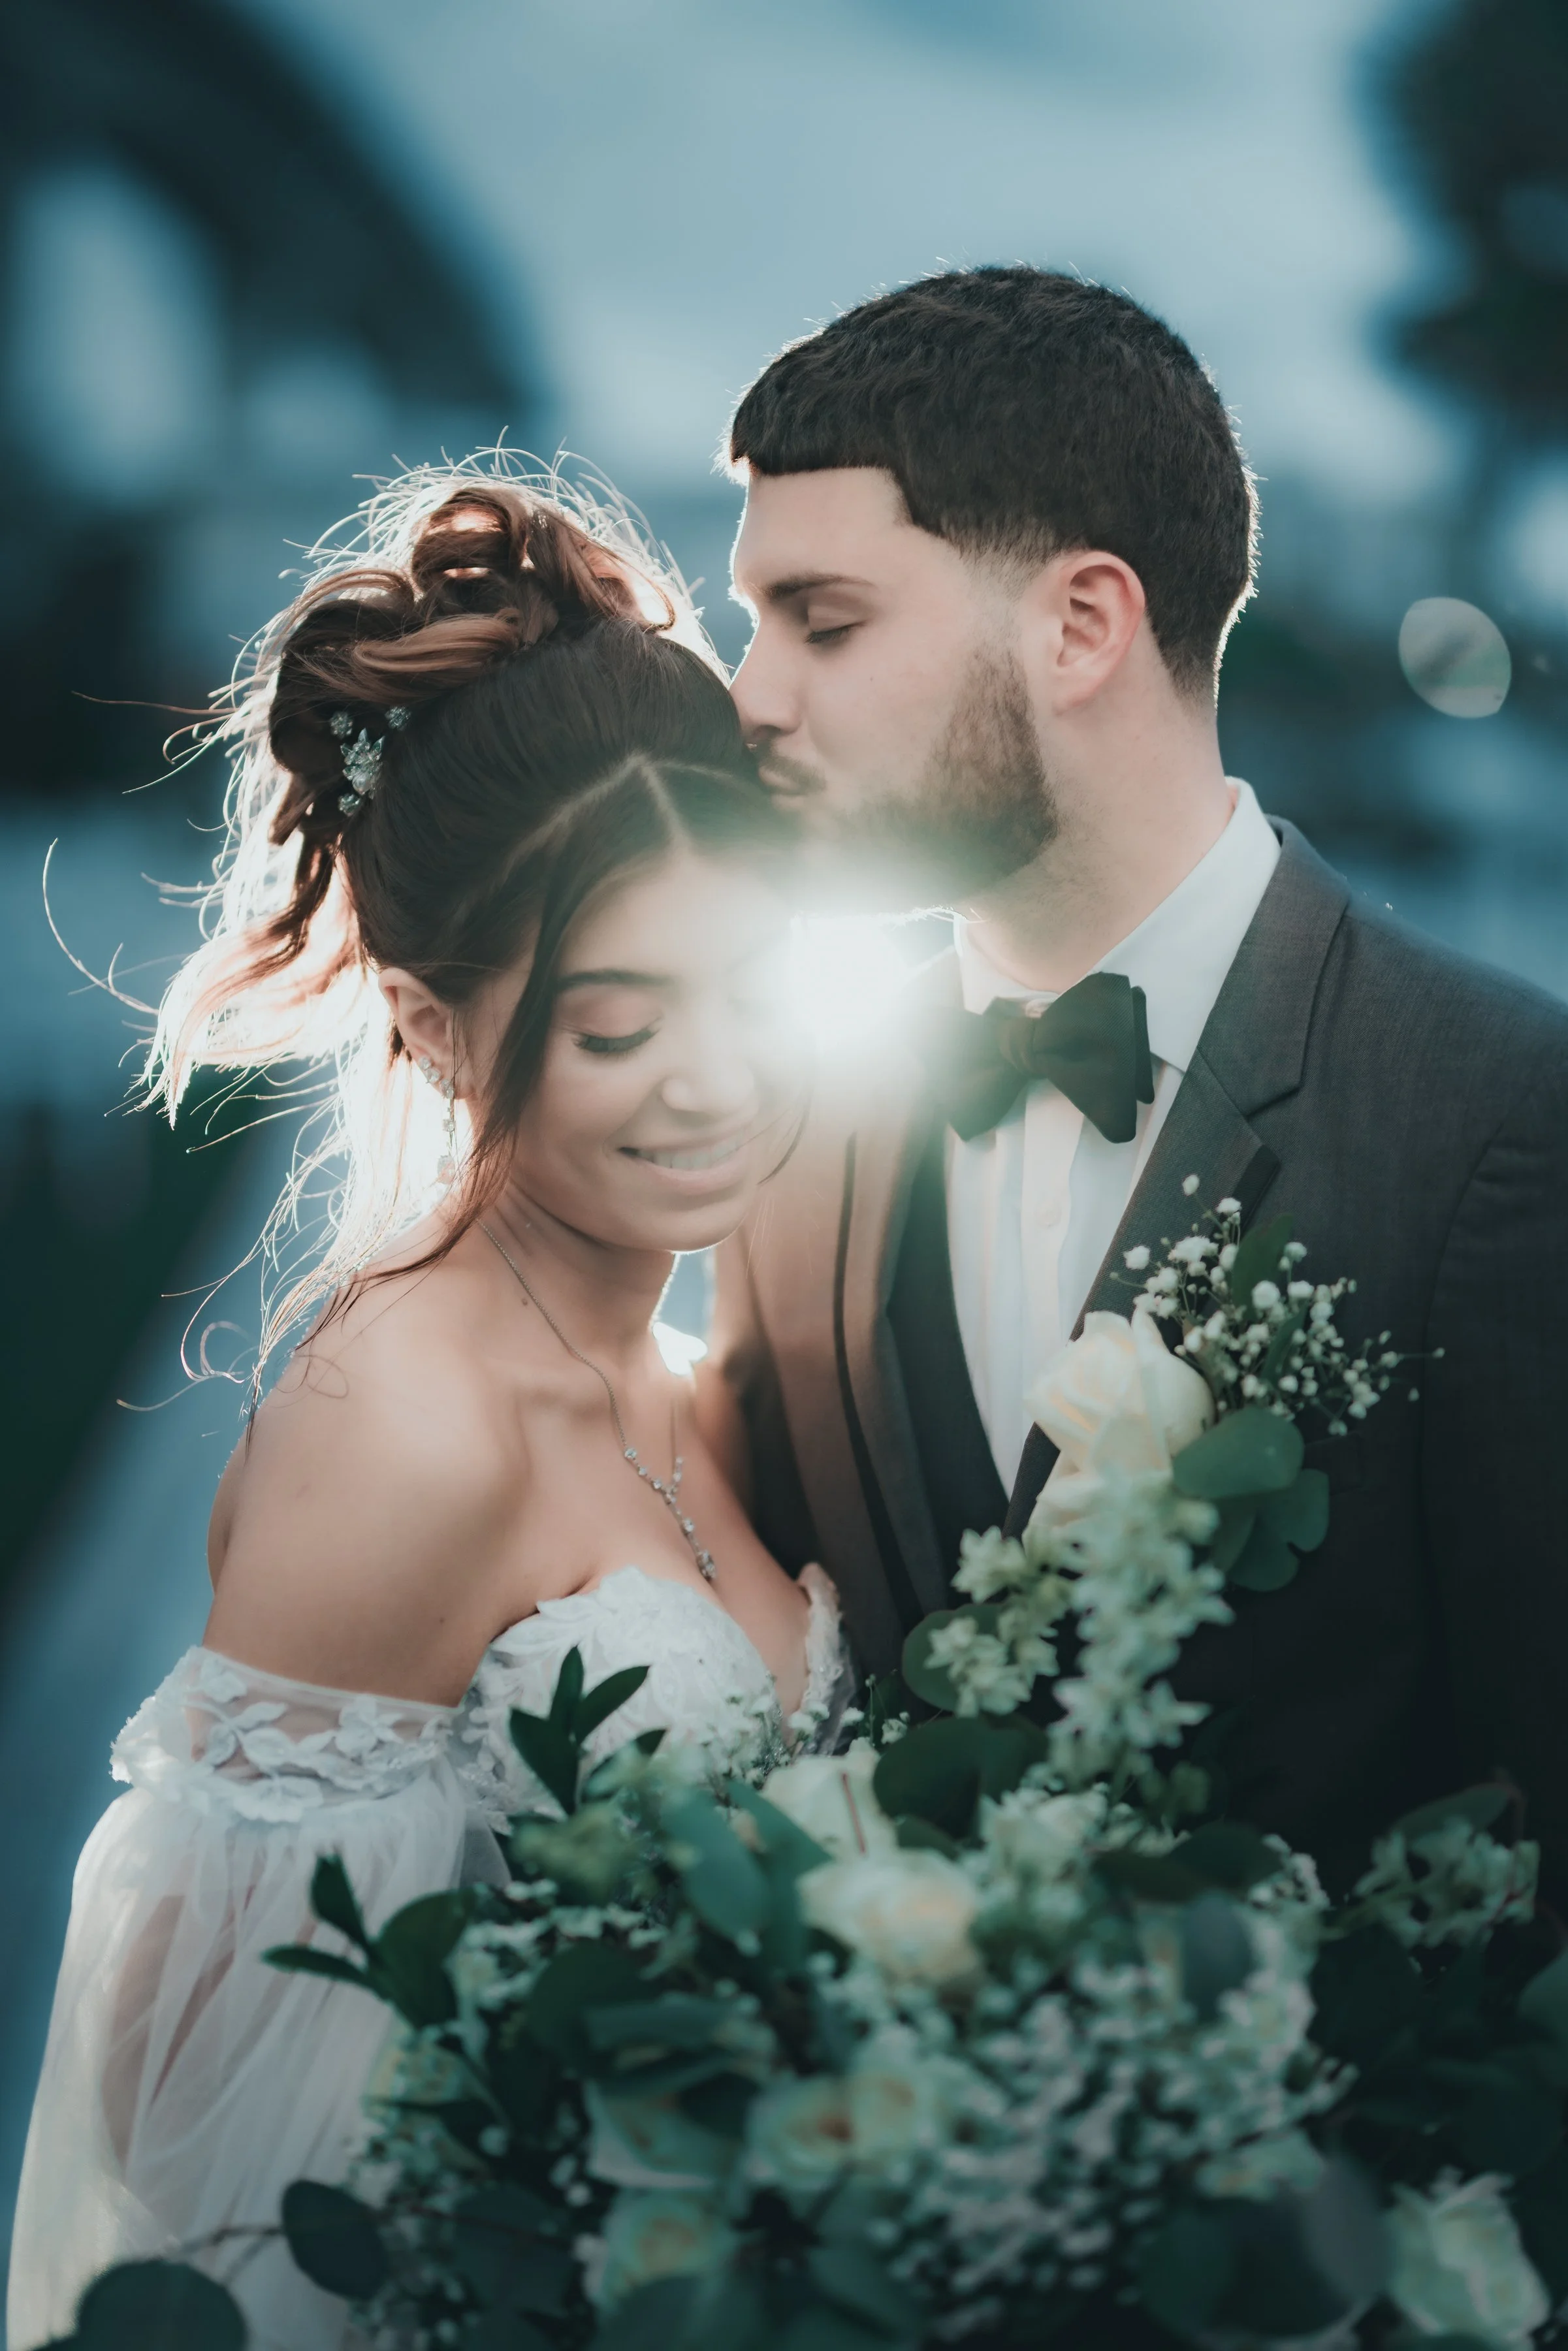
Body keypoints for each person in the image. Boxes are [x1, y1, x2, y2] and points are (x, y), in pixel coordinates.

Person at [8, 472, 849, 2351]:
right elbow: (198, 2130)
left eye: (753, 990)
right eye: (623, 1025)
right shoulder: (403, 1423)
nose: (714, 1082)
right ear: (432, 1021)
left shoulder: (699, 1361)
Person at [711, 264, 1568, 1906]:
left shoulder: (1496, 1120)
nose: (753, 692)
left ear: (1083, 626)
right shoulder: (776, 1128)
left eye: (823, 622)